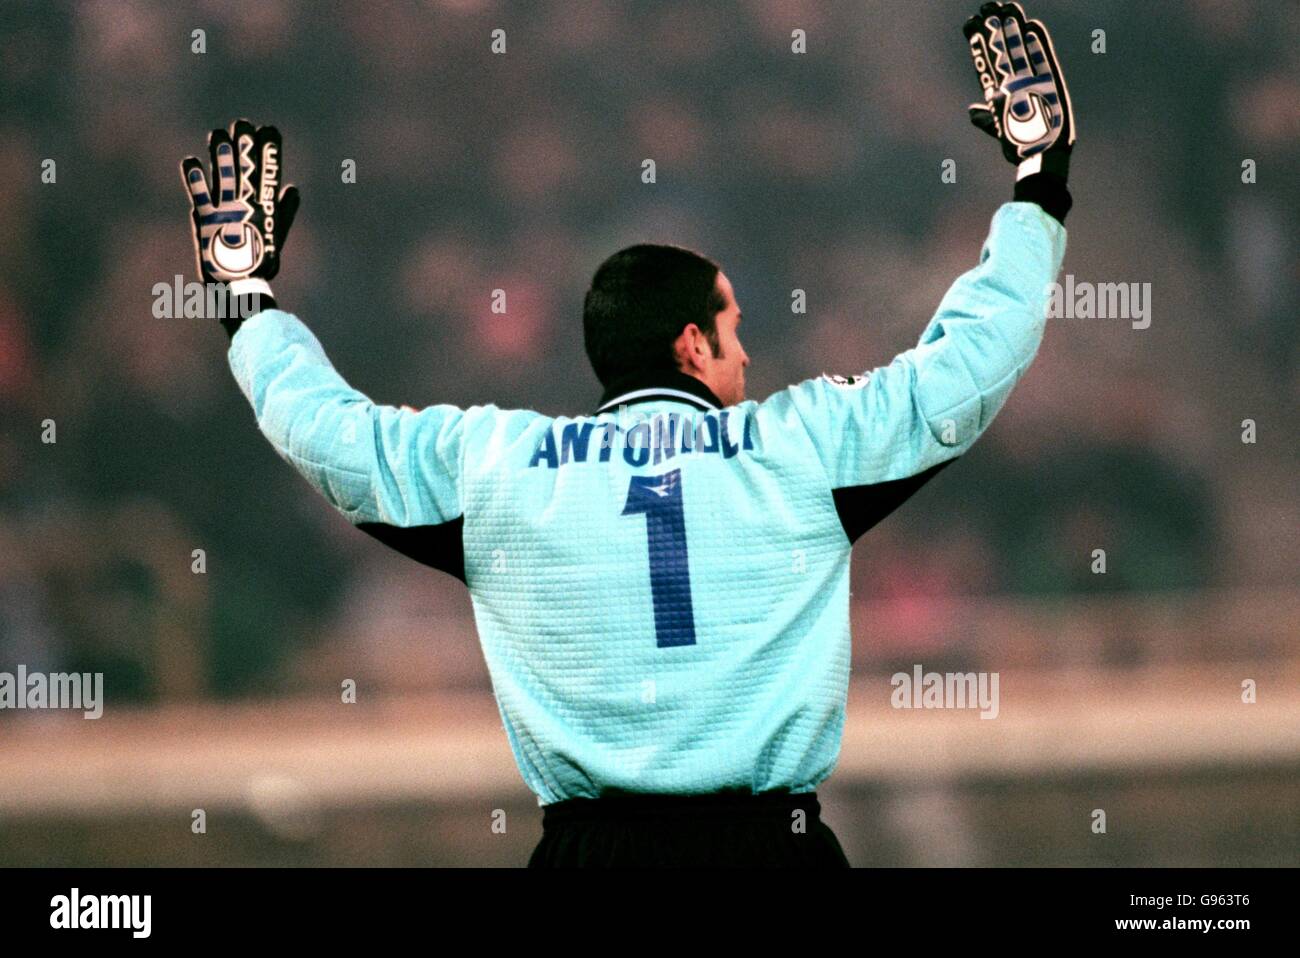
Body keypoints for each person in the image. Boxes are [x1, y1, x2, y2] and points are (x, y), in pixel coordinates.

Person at [178, 1, 1075, 868]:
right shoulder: (800, 448)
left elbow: (327, 433)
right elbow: (969, 364)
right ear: (692, 344)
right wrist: (1039, 183)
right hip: (770, 850)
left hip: (590, 853)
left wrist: (245, 302)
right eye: (733, 328)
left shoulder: (499, 468)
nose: (747, 352)